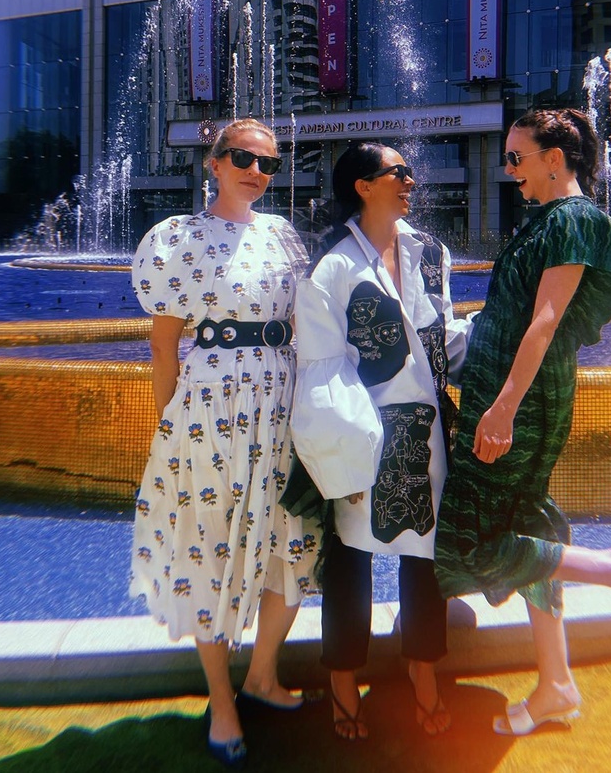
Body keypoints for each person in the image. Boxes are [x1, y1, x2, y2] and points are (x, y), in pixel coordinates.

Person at [434, 108, 611, 737]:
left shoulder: (571, 220)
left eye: (516, 157)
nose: (508, 170)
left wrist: (502, 407)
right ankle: (556, 684)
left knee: (470, 543)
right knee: (528, 523)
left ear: (555, 159)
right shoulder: (551, 220)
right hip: (512, 393)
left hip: (517, 402)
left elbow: (545, 323)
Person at [130, 117, 319, 768]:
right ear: (214, 163)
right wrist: (167, 429)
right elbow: (163, 346)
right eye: (242, 157)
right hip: (210, 409)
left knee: (295, 538)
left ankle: (262, 675)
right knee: (209, 547)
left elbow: (305, 324)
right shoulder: (179, 238)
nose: (256, 171)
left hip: (282, 403)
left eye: (268, 162)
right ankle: (222, 703)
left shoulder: (283, 234)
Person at [290, 142, 471, 740]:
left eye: (410, 172)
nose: (410, 180)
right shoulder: (333, 267)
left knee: (427, 556)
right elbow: (321, 366)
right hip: (361, 429)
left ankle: (424, 668)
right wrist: (344, 446)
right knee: (350, 555)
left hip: (426, 429)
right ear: (363, 186)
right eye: (399, 172)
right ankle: (343, 679)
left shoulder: (429, 253)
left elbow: (443, 335)